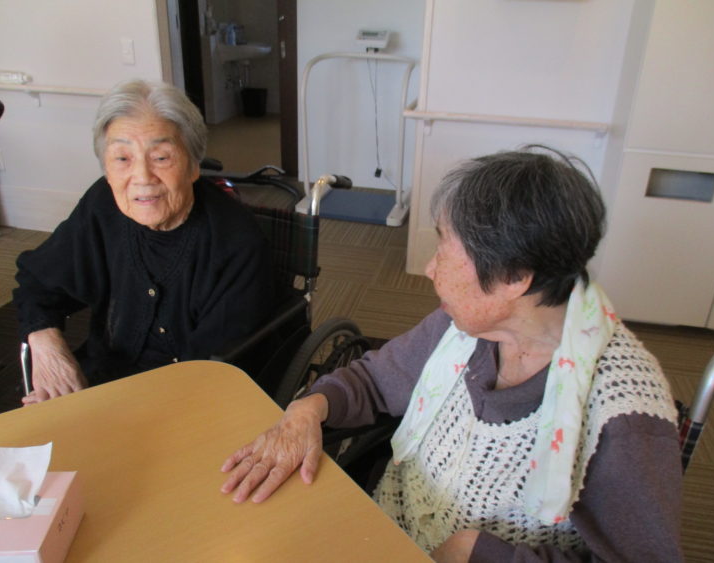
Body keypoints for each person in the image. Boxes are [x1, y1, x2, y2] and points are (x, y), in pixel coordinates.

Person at [219, 146, 683, 562]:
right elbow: (376, 380)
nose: (429, 267)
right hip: (386, 529)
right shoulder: (463, 328)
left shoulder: (623, 415)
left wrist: (476, 552)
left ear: (514, 277)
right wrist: (309, 408)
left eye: (444, 246)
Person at [14, 79, 274, 404]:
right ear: (106, 169)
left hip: (184, 400)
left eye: (161, 158)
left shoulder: (235, 243)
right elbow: (38, 280)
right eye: (122, 158)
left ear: (194, 166)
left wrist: (95, 413)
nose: (142, 177)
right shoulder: (103, 205)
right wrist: (47, 343)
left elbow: (205, 376)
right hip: (100, 382)